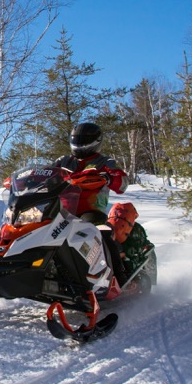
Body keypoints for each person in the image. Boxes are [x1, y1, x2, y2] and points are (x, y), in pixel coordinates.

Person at [51, 122, 131, 289]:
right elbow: (47, 174)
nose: (79, 143)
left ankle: (119, 276)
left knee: (103, 233)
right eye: (76, 139)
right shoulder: (63, 161)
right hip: (62, 211)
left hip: (91, 210)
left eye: (83, 140)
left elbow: (122, 183)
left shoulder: (105, 162)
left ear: (95, 141)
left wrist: (109, 178)